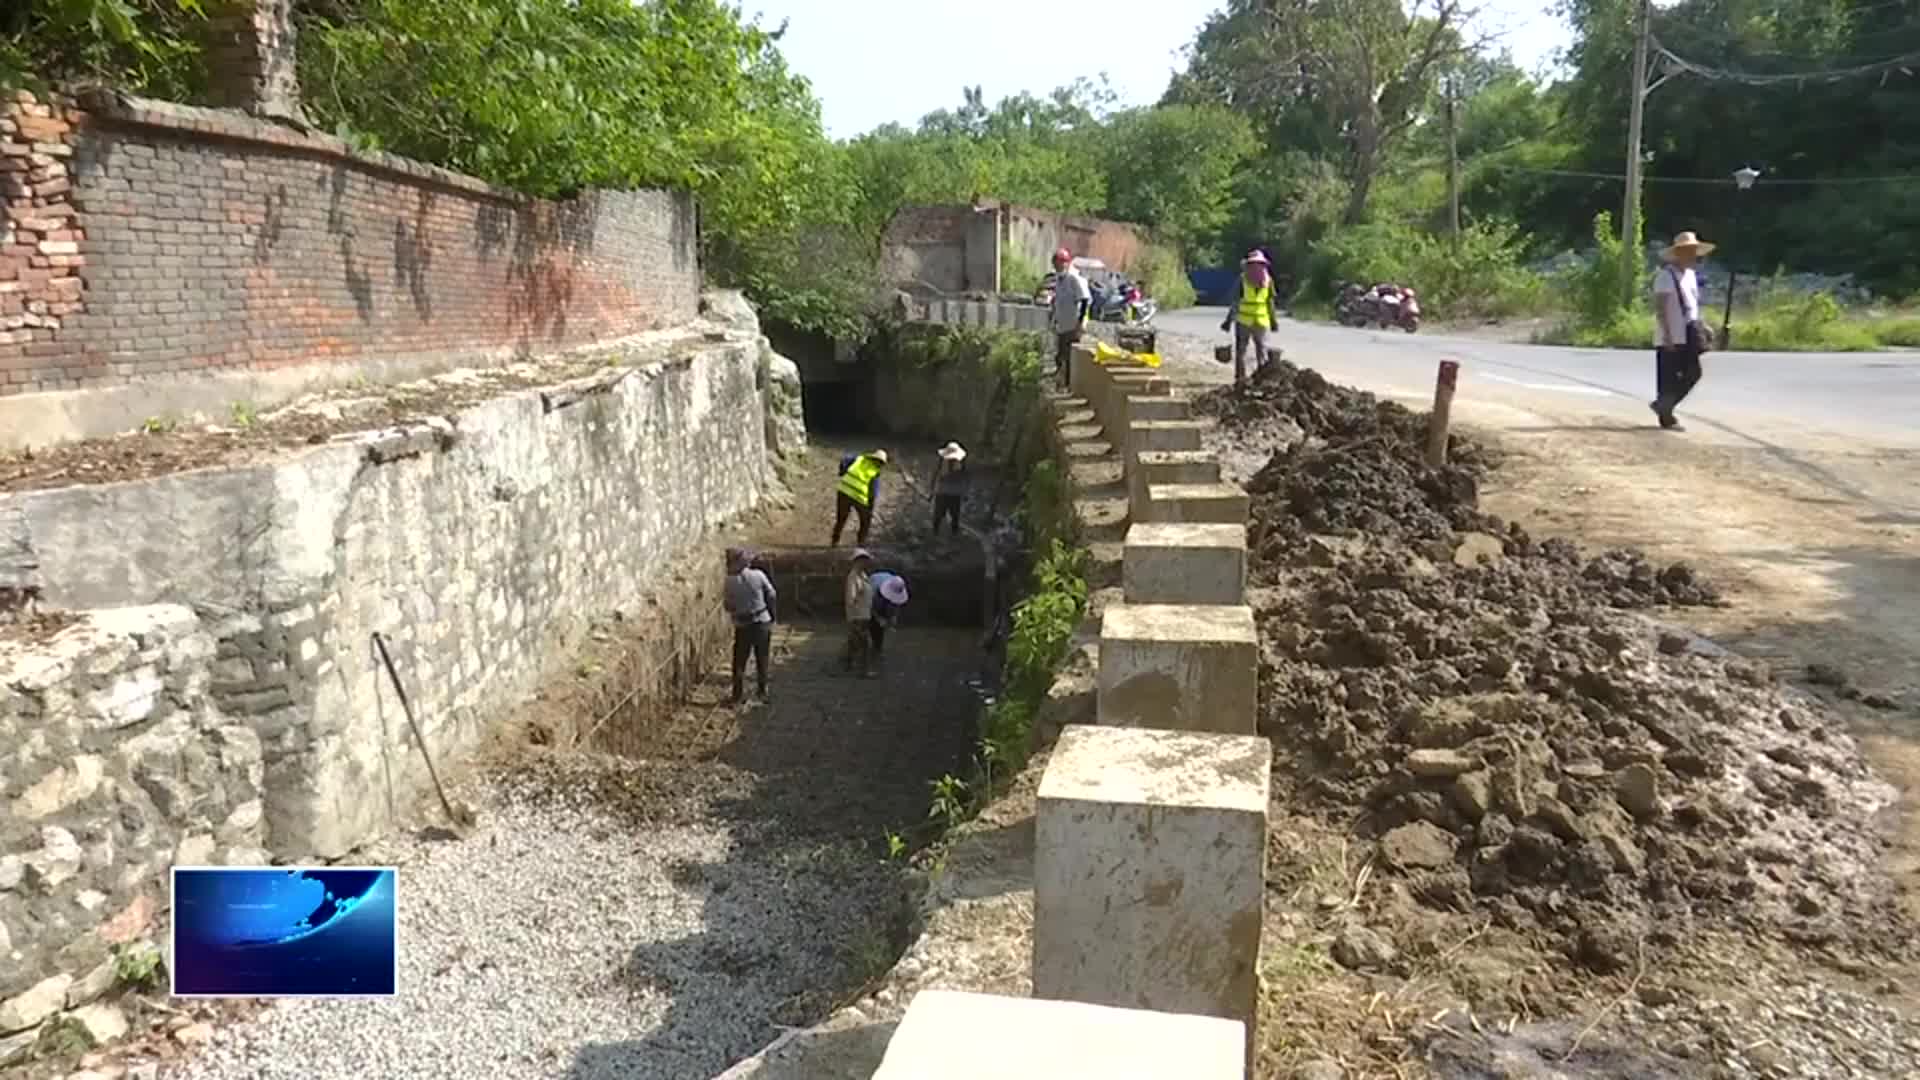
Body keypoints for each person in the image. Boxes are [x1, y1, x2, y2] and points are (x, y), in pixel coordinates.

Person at [1651, 231, 1715, 431]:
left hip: (1688, 332)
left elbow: (1692, 305)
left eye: (1693, 251)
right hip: (1670, 335)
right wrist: (1668, 335)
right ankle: (1666, 416)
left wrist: (1702, 325)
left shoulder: (1690, 276)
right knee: (1668, 379)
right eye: (1688, 251)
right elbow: (1661, 309)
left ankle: (1664, 406)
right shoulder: (1665, 276)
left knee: (1693, 372)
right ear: (1678, 253)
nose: (1692, 255)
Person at [721, 547, 777, 704]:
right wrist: (772, 615)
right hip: (762, 621)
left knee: (739, 660)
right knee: (762, 658)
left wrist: (737, 608)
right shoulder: (759, 575)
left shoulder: (729, 582)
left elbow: (727, 605)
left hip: (743, 624)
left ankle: (737, 695)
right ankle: (762, 691)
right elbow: (772, 594)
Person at [1219, 250, 1281, 386]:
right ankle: (1259, 379)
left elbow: (1235, 302)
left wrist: (1228, 320)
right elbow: (1270, 302)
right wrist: (1273, 321)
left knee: (1243, 351)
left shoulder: (1244, 279)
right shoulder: (1267, 280)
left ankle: (1242, 378)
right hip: (1259, 321)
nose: (1256, 268)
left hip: (1245, 321)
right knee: (1261, 352)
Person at [1048, 247, 1091, 390]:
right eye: (1055, 264)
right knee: (1060, 356)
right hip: (1062, 325)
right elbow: (1058, 302)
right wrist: (1053, 319)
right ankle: (1062, 383)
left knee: (1070, 358)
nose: (1056, 266)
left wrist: (1080, 323)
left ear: (1066, 263)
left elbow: (1084, 300)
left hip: (1073, 326)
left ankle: (1069, 386)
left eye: (1059, 263)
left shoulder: (1073, 279)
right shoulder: (1059, 280)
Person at [832, 449, 889, 546]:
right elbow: (872, 493)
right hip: (859, 497)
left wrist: (842, 472)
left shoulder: (858, 459)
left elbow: (844, 460)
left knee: (841, 518)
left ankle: (835, 540)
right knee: (865, 521)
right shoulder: (875, 471)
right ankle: (861, 543)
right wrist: (870, 509)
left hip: (843, 491)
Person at [843, 549, 877, 677]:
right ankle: (864, 670)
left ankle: (848, 665)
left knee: (854, 642)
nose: (866, 563)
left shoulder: (862, 575)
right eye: (864, 560)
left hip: (863, 614)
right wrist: (853, 617)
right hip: (858, 615)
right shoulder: (853, 577)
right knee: (865, 644)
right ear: (858, 561)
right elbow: (851, 598)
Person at [868, 571, 909, 667]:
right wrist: (878, 618)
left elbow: (896, 604)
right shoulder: (873, 588)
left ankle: (877, 647)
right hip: (872, 598)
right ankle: (867, 648)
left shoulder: (898, 586)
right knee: (873, 624)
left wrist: (893, 617)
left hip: (883, 596)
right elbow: (868, 606)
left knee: (881, 626)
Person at [931, 441, 968, 536]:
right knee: (943, 515)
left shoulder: (959, 464)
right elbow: (936, 474)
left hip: (948, 493)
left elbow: (935, 475)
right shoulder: (945, 462)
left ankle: (948, 533)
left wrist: (931, 491)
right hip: (946, 493)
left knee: (949, 515)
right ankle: (939, 532)